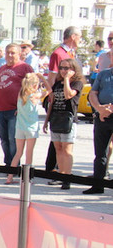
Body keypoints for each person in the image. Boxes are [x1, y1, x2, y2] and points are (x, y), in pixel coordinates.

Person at [43, 58, 84, 190]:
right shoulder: (57, 83)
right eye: (61, 68)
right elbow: (52, 101)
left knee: (67, 150)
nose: (63, 71)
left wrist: (67, 80)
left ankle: (67, 177)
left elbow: (68, 95)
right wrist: (46, 120)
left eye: (67, 68)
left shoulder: (77, 83)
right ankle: (60, 175)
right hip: (56, 118)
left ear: (73, 69)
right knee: (58, 148)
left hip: (68, 119)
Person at [45, 26, 81, 175]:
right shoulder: (58, 53)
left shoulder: (70, 53)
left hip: (68, 110)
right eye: (79, 36)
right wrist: (50, 95)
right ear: (73, 36)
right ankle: (53, 169)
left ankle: (63, 173)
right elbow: (52, 76)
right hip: (57, 99)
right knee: (57, 143)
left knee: (64, 145)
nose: (80, 40)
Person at [0, 43, 33, 167]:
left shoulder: (25, 68)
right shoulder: (1, 68)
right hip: (0, 110)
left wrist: (23, 107)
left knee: (13, 139)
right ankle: (8, 163)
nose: (9, 55)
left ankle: (14, 165)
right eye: (7, 52)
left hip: (15, 110)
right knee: (4, 140)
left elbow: (31, 89)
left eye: (13, 53)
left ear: (19, 54)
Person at [6, 73, 43, 184]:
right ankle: (26, 179)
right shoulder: (35, 96)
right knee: (29, 153)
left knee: (18, 153)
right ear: (35, 85)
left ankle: (9, 177)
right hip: (31, 128)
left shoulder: (21, 94)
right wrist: (42, 79)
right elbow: (49, 90)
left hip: (20, 127)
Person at [84, 64, 113, 194]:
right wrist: (99, 108)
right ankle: (98, 185)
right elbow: (93, 93)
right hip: (103, 117)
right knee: (100, 153)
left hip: (107, 113)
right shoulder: (103, 74)